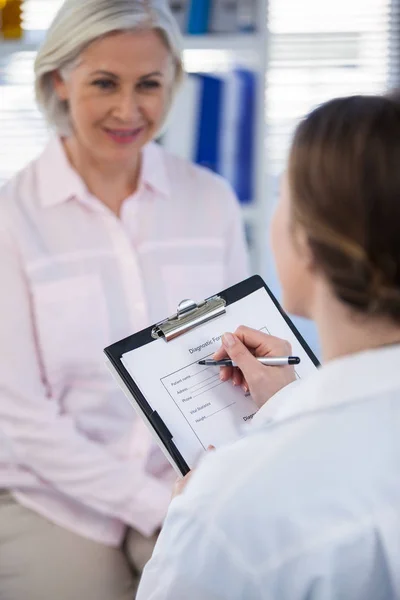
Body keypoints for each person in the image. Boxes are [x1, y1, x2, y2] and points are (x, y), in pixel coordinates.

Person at [0, 0, 249, 598]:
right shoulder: (11, 215)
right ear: (59, 79)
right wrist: (149, 501)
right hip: (55, 496)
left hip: (195, 477)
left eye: (149, 85)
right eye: (105, 83)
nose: (128, 110)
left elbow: (243, 362)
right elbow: (18, 413)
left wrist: (208, 487)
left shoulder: (209, 199)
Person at [137, 94, 400, 599]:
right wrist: (288, 402)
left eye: (284, 195)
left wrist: (194, 516)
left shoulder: (231, 506)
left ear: (306, 244)